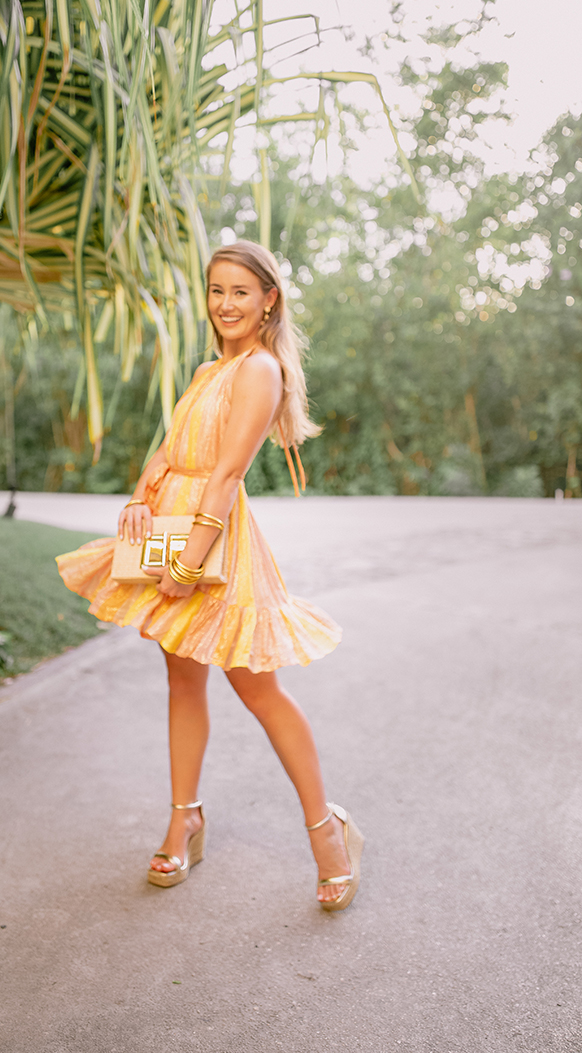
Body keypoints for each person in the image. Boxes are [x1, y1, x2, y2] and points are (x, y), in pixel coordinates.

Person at [56, 241, 364, 910]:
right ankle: (184, 817)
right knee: (181, 680)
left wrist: (189, 564)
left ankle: (327, 830)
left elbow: (225, 475)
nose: (226, 303)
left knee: (260, 693)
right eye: (216, 290)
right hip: (169, 523)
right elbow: (169, 451)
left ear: (268, 300)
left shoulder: (259, 370)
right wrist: (140, 496)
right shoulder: (205, 369)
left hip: (214, 541)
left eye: (241, 292)